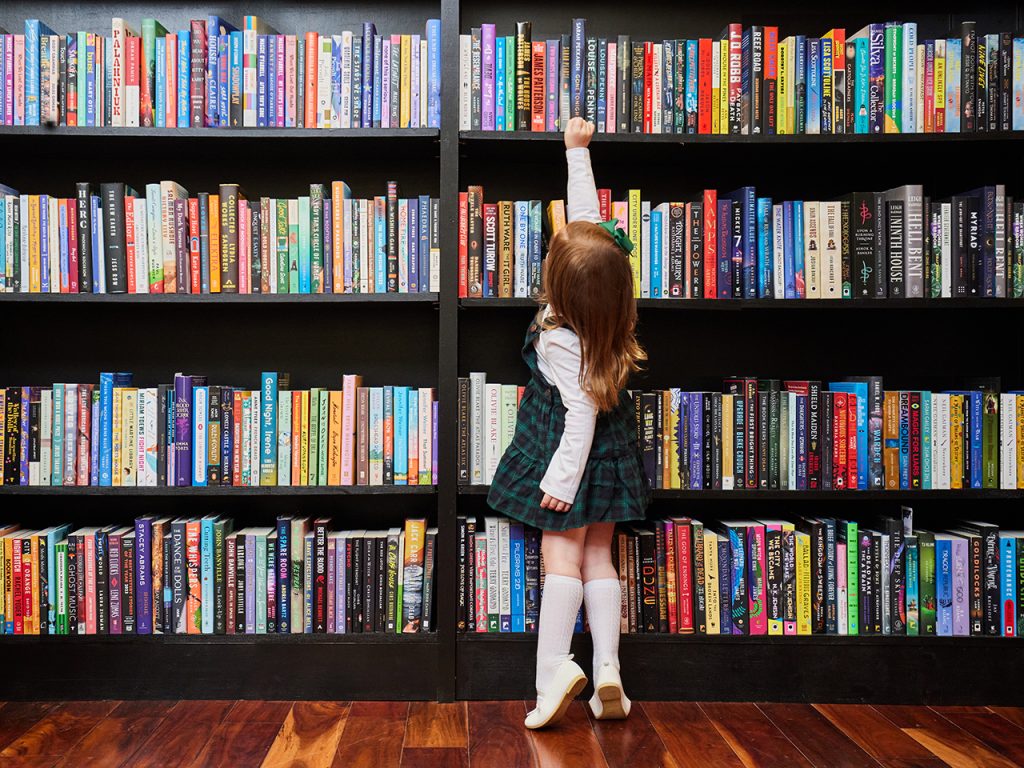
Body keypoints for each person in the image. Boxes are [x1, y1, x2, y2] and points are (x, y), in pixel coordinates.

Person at [487, 117, 651, 730]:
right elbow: (587, 225)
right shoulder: (609, 315)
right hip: (611, 454)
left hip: (569, 454)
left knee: (563, 563)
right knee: (600, 560)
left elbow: (577, 418)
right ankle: (608, 667)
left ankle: (554, 667)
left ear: (560, 285)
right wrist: (576, 153)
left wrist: (558, 483)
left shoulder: (558, 336)